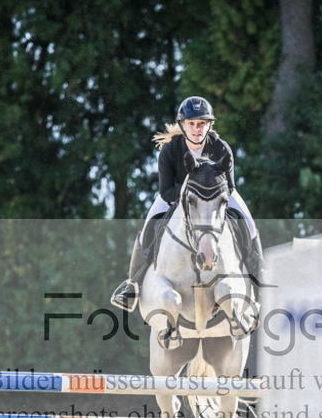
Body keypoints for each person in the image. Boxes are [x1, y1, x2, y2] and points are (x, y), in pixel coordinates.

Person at [110, 96, 264, 312]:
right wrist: (188, 196)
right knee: (149, 224)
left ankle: (260, 279)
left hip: (214, 199)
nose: (197, 129)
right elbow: (165, 191)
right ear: (183, 125)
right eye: (191, 124)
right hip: (175, 197)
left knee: (248, 223)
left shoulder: (221, 148)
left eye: (201, 123)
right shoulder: (170, 150)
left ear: (209, 124)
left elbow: (229, 188)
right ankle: (132, 286)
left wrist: (206, 198)